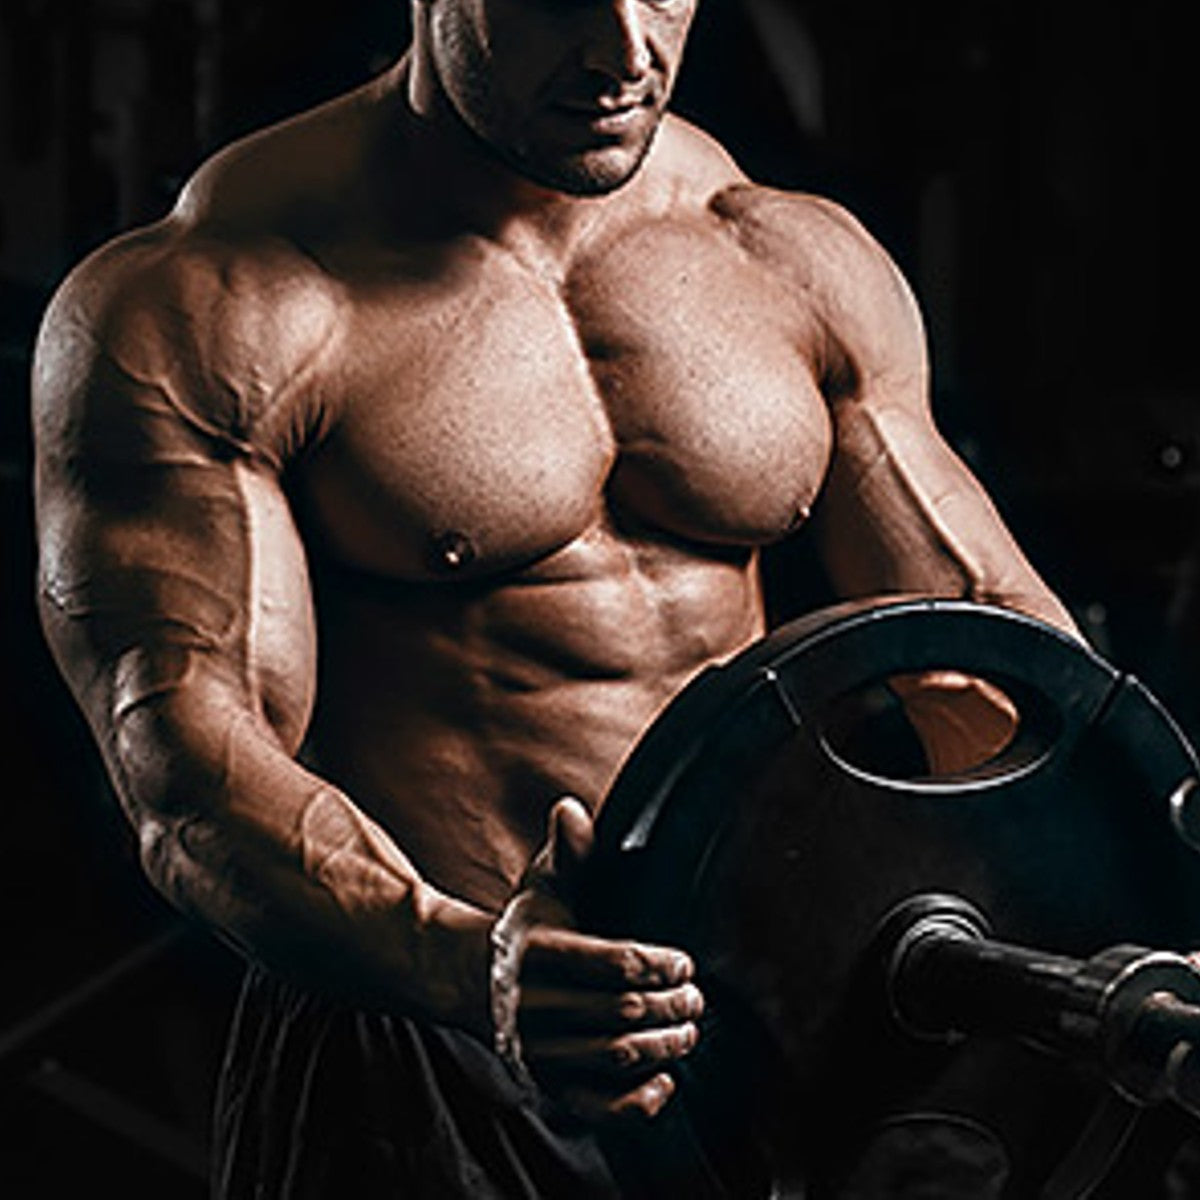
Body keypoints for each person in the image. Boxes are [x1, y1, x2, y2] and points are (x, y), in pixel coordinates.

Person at [31, 0, 1077, 1195]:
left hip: (752, 1037)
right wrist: (466, 967)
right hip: (424, 1039)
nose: (627, 52)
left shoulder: (786, 258)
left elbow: (989, 650)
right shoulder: (211, 298)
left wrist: (1124, 882)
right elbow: (189, 768)